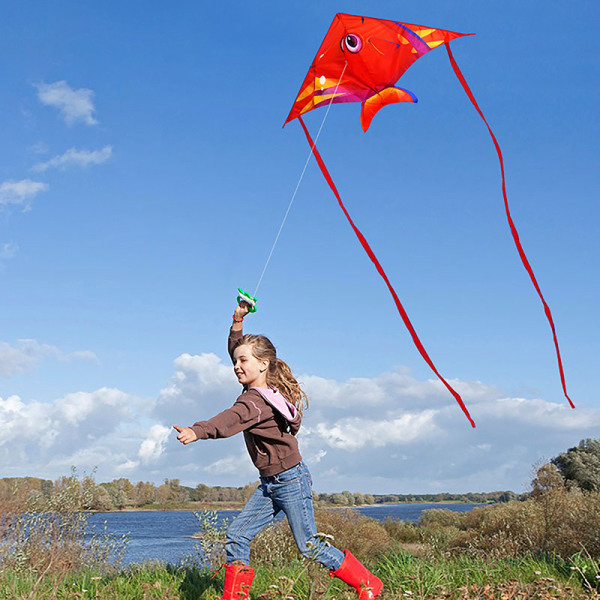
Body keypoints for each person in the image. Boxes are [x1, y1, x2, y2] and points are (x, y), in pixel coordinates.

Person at [173, 302, 383, 600]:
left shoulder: (254, 403)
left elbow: (229, 421)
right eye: (235, 362)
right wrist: (237, 321)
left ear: (263, 364)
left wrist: (198, 430)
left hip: (290, 481)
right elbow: (238, 347)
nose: (236, 366)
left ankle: (368, 583)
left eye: (243, 361)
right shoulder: (265, 390)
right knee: (238, 535)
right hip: (271, 483)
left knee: (308, 544)